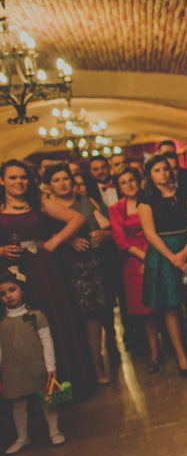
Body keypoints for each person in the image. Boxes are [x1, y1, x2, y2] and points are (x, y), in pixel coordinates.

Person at [0, 160, 95, 399]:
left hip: (43, 268)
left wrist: (54, 241)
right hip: (11, 273)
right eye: (13, 177)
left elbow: (77, 218)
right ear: (2, 180)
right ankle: (28, 394)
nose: (19, 181)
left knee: (51, 320)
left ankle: (62, 388)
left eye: (23, 177)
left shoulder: (38, 202)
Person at [138, 155, 187, 377]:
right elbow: (150, 234)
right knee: (171, 307)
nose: (163, 173)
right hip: (164, 253)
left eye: (165, 169)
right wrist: (173, 258)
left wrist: (185, 253)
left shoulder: (183, 193)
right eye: (157, 170)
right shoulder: (145, 199)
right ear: (150, 175)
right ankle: (182, 357)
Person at [44, 164, 113, 384]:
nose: (63, 183)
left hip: (91, 266)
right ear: (49, 185)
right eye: (56, 180)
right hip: (63, 266)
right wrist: (68, 237)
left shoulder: (87, 201)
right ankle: (80, 369)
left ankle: (96, 365)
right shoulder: (46, 207)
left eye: (66, 178)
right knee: (71, 318)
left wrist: (104, 235)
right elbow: (44, 238)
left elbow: (108, 228)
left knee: (94, 318)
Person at [0, 273, 66, 454]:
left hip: (36, 366)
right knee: (18, 403)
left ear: (22, 290)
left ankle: (54, 430)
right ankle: (22, 437)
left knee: (47, 399)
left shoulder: (35, 316)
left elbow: (47, 341)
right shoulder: (2, 321)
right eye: (3, 293)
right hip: (12, 370)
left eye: (12, 290)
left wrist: (50, 366)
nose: (8, 295)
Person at [109, 167, 160, 373]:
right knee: (147, 311)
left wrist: (155, 257)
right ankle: (155, 353)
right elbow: (120, 240)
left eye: (132, 180)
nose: (129, 184)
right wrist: (145, 258)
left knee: (168, 306)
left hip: (159, 254)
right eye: (124, 182)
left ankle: (179, 349)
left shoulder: (152, 200)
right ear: (119, 187)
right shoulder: (115, 209)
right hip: (134, 262)